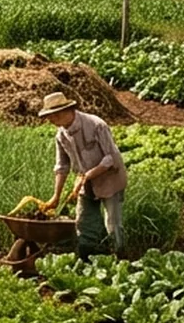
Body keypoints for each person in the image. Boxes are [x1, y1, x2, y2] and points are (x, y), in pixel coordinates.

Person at [40, 91, 127, 257]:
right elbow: (62, 166)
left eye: (54, 116)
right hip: (85, 182)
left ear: (67, 111)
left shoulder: (96, 125)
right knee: (84, 222)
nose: (51, 120)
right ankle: (89, 257)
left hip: (110, 178)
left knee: (113, 224)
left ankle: (119, 258)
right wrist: (55, 196)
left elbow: (110, 158)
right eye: (49, 116)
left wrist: (87, 176)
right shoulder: (61, 135)